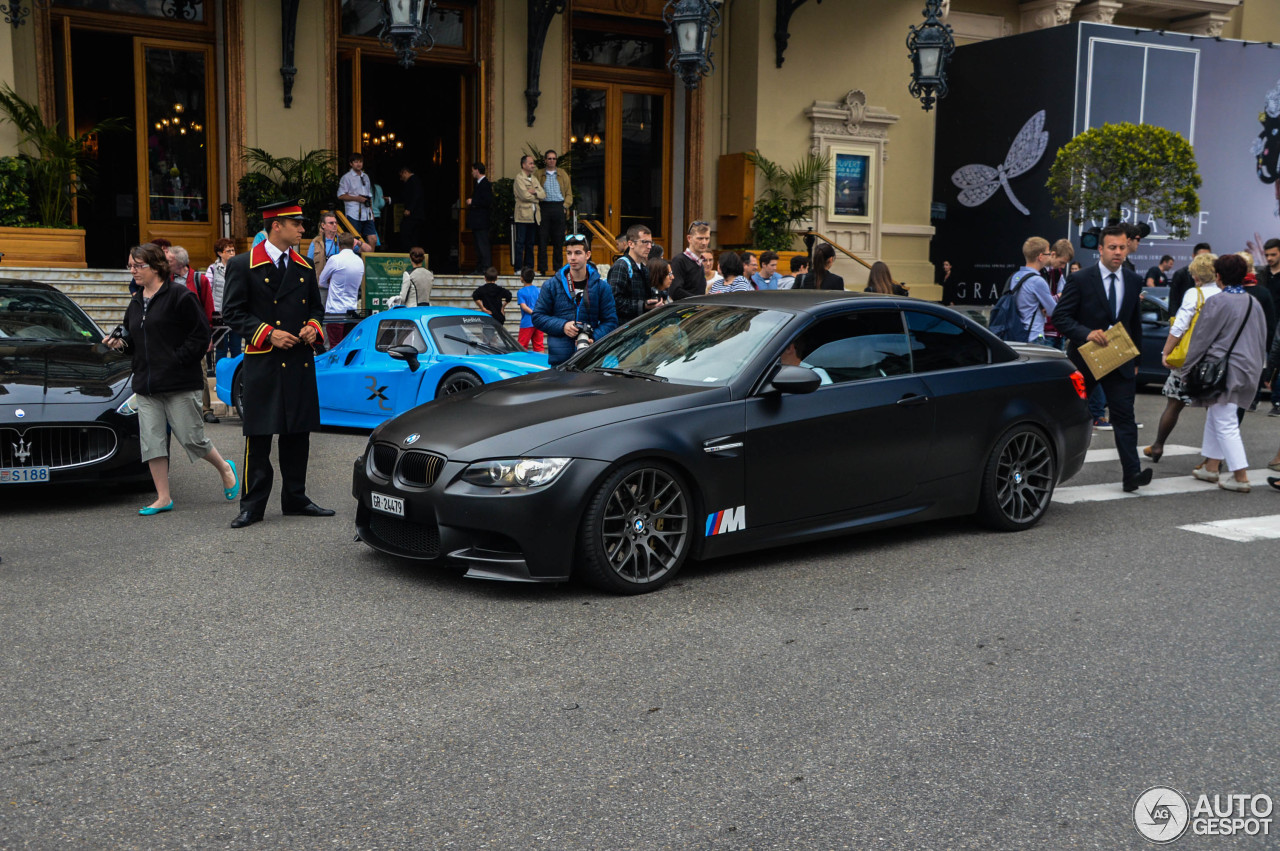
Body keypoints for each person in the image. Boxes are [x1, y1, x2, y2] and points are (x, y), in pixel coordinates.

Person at [221, 199, 332, 529]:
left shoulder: (303, 265)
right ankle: (252, 505)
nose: (302, 229)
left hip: (298, 360)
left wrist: (314, 326)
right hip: (265, 361)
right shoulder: (243, 265)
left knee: (297, 434)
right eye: (296, 223)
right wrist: (269, 334)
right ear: (276, 226)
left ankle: (295, 498)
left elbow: (316, 307)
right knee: (259, 436)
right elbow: (232, 313)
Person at [104, 243, 238, 515]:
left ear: (155, 266)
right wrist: (119, 345)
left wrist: (176, 360)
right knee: (152, 442)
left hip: (178, 381)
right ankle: (163, 497)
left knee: (192, 438)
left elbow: (200, 336)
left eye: (137, 266)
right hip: (147, 385)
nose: (133, 271)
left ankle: (225, 467)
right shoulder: (135, 301)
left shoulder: (180, 296)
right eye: (130, 266)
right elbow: (134, 342)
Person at [1053, 225, 1151, 492]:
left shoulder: (1132, 280)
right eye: (1112, 247)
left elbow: (1133, 322)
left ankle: (1132, 475)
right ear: (1100, 250)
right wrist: (1086, 333)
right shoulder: (1082, 279)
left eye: (1122, 247)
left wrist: (1136, 357)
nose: (1118, 252)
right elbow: (1061, 318)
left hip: (1119, 360)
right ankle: (1049, 469)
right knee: (1070, 414)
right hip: (1086, 360)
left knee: (1125, 418)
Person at [1179, 254, 1267, 492]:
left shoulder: (1218, 302)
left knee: (1225, 420)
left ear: (1218, 276)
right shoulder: (1253, 303)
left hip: (1223, 370)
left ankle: (1241, 476)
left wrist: (1187, 368)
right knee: (1218, 415)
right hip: (1248, 368)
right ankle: (1210, 468)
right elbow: (1261, 339)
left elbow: (1201, 338)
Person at [1147, 253, 1220, 463]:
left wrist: (1167, 352)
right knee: (1215, 410)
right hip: (1213, 359)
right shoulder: (1222, 294)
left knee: (1174, 404)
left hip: (1189, 359)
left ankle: (1158, 445)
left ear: (1196, 275)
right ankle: (1214, 458)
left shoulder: (1193, 294)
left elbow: (1180, 325)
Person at [531, 233, 617, 367]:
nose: (572, 258)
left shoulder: (602, 287)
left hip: (591, 358)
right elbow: (537, 317)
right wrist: (563, 326)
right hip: (560, 360)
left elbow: (611, 322)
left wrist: (593, 337)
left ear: (587, 255)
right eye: (569, 253)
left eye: (577, 253)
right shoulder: (551, 285)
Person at [166, 245, 218, 422]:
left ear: (180, 263)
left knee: (200, 372)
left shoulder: (199, 279)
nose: (166, 263)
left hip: (195, 335)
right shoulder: (167, 279)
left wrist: (209, 335)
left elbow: (209, 309)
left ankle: (205, 410)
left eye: (169, 260)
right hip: (172, 334)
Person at [1008, 237, 1057, 345]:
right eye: (1048, 253)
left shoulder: (1015, 277)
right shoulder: (1037, 281)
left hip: (1016, 334)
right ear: (1040, 256)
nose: (1050, 256)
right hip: (1034, 336)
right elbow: (1053, 310)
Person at [319, 233, 364, 347]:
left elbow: (321, 281)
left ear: (339, 245)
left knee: (335, 347)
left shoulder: (335, 259)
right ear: (353, 245)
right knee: (347, 347)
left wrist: (331, 284)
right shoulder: (359, 261)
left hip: (335, 311)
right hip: (351, 311)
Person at [608, 223, 655, 326]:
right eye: (644, 242)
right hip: (624, 329)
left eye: (651, 242)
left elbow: (646, 296)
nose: (649, 247)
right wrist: (643, 305)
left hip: (640, 326)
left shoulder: (643, 267)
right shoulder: (621, 266)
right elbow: (614, 301)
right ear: (631, 244)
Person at [536, 150, 572, 274]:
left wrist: (564, 206)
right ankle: (542, 269)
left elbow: (569, 194)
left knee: (558, 240)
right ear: (545, 160)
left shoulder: (563, 174)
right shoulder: (538, 174)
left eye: (554, 159)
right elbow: (533, 190)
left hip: (558, 207)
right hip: (544, 207)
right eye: (549, 158)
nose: (552, 161)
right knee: (542, 239)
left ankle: (557, 268)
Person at [208, 238, 241, 369]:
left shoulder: (239, 267)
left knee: (236, 348)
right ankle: (221, 380)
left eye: (233, 250)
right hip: (219, 313)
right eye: (228, 251)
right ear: (220, 253)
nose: (232, 253)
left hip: (236, 313)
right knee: (221, 349)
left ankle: (236, 380)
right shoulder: (213, 269)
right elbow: (208, 290)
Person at [337, 152, 379, 250]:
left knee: (373, 239)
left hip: (367, 213)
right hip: (353, 212)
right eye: (356, 162)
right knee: (355, 240)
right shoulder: (346, 177)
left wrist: (372, 212)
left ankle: (369, 262)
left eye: (360, 162)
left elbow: (369, 196)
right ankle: (358, 261)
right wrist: (357, 198)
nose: (359, 164)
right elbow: (340, 195)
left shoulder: (366, 176)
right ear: (351, 164)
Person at [512, 155, 545, 271]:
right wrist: (537, 196)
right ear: (524, 165)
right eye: (530, 163)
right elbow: (524, 196)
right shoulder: (519, 178)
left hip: (534, 216)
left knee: (530, 244)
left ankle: (529, 269)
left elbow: (543, 194)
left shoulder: (534, 179)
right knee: (520, 243)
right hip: (522, 216)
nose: (533, 165)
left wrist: (535, 191)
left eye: (533, 163)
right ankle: (518, 269)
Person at [670, 220, 711, 300]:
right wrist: (700, 300)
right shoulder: (679, 261)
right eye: (700, 238)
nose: (704, 242)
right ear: (689, 238)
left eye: (707, 238)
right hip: (684, 310)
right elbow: (675, 291)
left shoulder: (700, 262)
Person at [1169, 242, 1213, 315]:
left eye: (1207, 257)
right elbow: (1174, 300)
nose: (1204, 260)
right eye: (1201, 257)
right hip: (1184, 316)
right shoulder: (1181, 274)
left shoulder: (1214, 274)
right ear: (1193, 256)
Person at [466, 162, 493, 274]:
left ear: (477, 170)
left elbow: (487, 201)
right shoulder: (477, 183)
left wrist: (473, 202)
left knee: (483, 245)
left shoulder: (485, 184)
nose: (472, 172)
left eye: (473, 170)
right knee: (478, 245)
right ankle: (480, 267)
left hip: (482, 221)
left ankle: (485, 267)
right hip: (477, 222)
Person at [397, 165, 426, 251]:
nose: (401, 179)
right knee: (412, 235)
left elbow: (415, 196)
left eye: (401, 176)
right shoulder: (414, 181)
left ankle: (410, 253)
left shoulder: (413, 181)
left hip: (414, 215)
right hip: (416, 215)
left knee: (407, 233)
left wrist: (409, 209)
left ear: (405, 172)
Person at [516, 267, 544, 352]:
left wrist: (533, 313)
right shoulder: (538, 290)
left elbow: (524, 307)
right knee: (539, 345)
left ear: (522, 278)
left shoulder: (521, 292)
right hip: (538, 321)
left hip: (527, 321)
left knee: (522, 345)